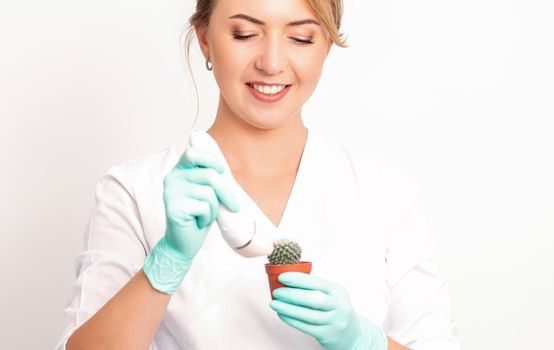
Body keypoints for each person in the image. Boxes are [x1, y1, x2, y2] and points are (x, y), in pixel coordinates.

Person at [55, 0, 460, 349]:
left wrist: (362, 340)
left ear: (326, 47)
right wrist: (166, 265)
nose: (271, 63)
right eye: (245, 34)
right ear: (205, 40)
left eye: (301, 38)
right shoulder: (134, 191)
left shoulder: (383, 192)